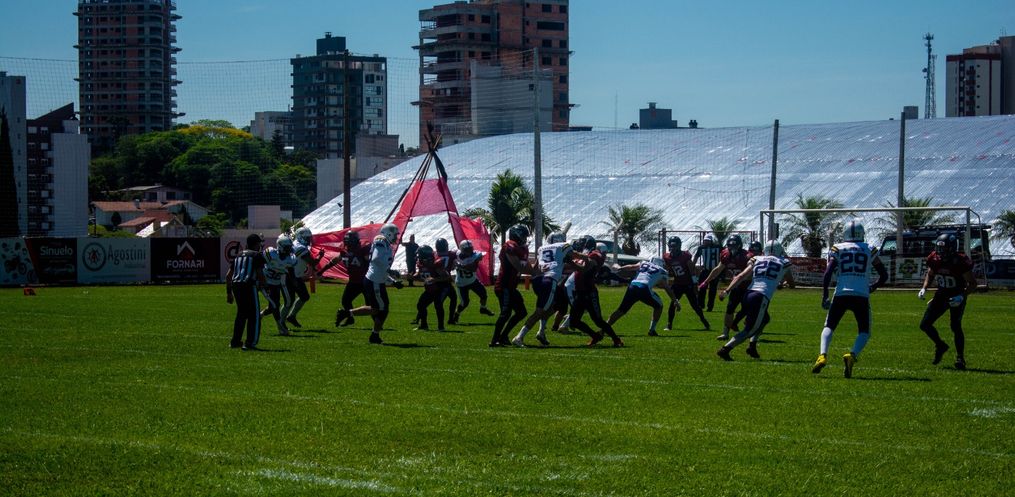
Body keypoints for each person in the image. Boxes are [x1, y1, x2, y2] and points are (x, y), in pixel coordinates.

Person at [812, 219, 888, 378]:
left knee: (829, 326)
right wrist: (873, 286)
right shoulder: (869, 249)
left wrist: (825, 295)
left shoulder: (838, 248)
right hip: (861, 295)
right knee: (864, 332)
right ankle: (852, 355)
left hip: (841, 293)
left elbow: (828, 273)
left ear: (845, 233)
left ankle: (822, 355)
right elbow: (884, 275)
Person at [716, 240, 792, 361]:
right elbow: (791, 282)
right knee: (750, 330)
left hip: (748, 293)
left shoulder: (757, 259)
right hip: (761, 296)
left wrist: (727, 290)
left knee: (765, 319)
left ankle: (752, 346)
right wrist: (783, 284)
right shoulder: (784, 262)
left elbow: (740, 276)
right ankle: (725, 349)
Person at [512, 232, 587, 347]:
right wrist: (586, 257)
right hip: (549, 281)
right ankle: (519, 337)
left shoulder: (542, 248)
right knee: (540, 311)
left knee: (556, 305)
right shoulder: (563, 246)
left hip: (538, 280)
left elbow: (535, 267)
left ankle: (541, 332)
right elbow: (574, 255)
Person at [336, 223, 403, 344]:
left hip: (377, 280)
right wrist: (390, 271)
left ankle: (372, 333)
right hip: (374, 281)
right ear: (388, 233)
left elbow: (379, 267)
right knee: (380, 309)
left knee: (379, 309)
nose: (396, 237)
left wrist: (393, 281)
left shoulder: (386, 244)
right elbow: (376, 259)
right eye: (394, 235)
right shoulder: (381, 240)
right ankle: (372, 333)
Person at [917, 233, 976, 370]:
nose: (941, 251)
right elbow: (930, 274)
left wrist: (961, 296)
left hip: (956, 296)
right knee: (925, 325)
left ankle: (960, 358)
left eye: (944, 248)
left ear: (952, 248)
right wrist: (924, 288)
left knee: (955, 326)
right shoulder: (934, 258)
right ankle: (940, 345)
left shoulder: (960, 261)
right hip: (941, 295)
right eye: (939, 248)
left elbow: (973, 284)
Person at [568, 236, 625, 347]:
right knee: (574, 321)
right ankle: (595, 336)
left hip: (589, 292)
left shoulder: (595, 255)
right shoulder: (587, 255)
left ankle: (616, 339)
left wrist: (573, 259)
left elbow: (586, 267)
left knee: (597, 320)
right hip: (580, 291)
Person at [698, 234, 750, 341]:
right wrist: (706, 281)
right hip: (736, 287)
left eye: (734, 245)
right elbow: (718, 269)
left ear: (739, 245)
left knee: (748, 310)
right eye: (730, 245)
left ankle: (750, 332)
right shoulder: (726, 255)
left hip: (748, 287)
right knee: (729, 309)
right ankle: (725, 333)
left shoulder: (747, 256)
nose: (732, 247)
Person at [607, 257, 676, 336]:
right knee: (659, 306)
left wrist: (620, 268)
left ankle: (604, 328)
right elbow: (666, 287)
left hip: (633, 286)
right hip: (644, 288)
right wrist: (675, 300)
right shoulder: (662, 270)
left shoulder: (643, 263)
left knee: (621, 310)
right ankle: (652, 330)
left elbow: (631, 267)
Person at [491, 224, 534, 347]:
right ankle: (494, 340)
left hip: (512, 287)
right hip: (503, 286)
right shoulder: (509, 246)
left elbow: (529, 268)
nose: (525, 239)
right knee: (505, 314)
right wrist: (534, 271)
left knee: (521, 312)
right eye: (524, 236)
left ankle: (504, 336)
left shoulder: (522, 248)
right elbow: (519, 267)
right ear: (517, 235)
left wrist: (540, 270)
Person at [318, 230, 371, 327]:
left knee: (371, 305)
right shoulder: (344, 250)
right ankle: (350, 319)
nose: (347, 242)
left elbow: (370, 262)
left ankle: (377, 324)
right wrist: (323, 270)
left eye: (349, 240)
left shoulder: (362, 248)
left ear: (355, 240)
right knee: (346, 301)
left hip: (365, 281)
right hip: (353, 281)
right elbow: (336, 260)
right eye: (346, 240)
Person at [226, 233, 267, 350]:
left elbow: (228, 276)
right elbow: (260, 274)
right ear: (256, 244)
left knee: (241, 314)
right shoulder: (256, 255)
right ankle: (250, 343)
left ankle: (235, 341)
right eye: (259, 243)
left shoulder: (238, 255)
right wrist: (265, 286)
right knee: (254, 315)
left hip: (236, 285)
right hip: (249, 285)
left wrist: (229, 293)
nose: (260, 246)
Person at [663, 236, 711, 331]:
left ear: (679, 246)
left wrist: (695, 284)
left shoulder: (685, 256)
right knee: (673, 304)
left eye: (675, 246)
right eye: (671, 246)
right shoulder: (667, 257)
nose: (673, 248)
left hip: (688, 284)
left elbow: (692, 270)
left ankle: (704, 321)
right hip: (677, 284)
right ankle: (669, 324)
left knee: (695, 305)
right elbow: (668, 269)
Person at [285, 226, 324, 328]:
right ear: (300, 237)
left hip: (292, 275)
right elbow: (313, 262)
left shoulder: (295, 244)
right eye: (307, 238)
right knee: (292, 300)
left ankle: (290, 317)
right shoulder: (301, 248)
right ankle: (282, 321)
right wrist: (320, 255)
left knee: (302, 297)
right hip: (292, 276)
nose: (309, 240)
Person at [260, 233, 297, 336]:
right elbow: (259, 263)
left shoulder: (291, 258)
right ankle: (281, 328)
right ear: (280, 246)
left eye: (290, 247)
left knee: (272, 307)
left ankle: (260, 315)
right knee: (275, 305)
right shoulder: (271, 253)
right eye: (287, 247)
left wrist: (295, 284)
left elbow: (291, 273)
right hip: (265, 282)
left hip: (276, 283)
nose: (289, 249)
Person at [451, 239, 495, 322]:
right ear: (461, 249)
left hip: (472, 280)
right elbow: (451, 262)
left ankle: (483, 308)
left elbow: (473, 268)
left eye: (470, 249)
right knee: (465, 303)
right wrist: (453, 264)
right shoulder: (456, 254)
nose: (469, 251)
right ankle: (457, 313)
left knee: (483, 294)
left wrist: (461, 266)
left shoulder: (475, 255)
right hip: (461, 284)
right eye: (467, 250)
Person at [413, 244, 452, 330]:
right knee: (420, 305)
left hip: (440, 288)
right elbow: (420, 274)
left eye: (420, 255)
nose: (418, 257)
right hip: (430, 289)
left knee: (438, 305)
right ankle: (424, 325)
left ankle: (441, 327)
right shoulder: (422, 264)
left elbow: (447, 277)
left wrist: (435, 279)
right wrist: (413, 276)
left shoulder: (436, 264)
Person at [693, 234, 722, 312]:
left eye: (708, 241)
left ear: (711, 241)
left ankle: (710, 307)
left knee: (712, 290)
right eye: (705, 240)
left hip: (715, 271)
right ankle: (701, 305)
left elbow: (724, 255)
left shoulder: (718, 247)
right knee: (702, 288)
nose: (706, 242)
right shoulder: (701, 248)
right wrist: (692, 266)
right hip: (705, 270)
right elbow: (696, 256)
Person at [435, 238, 459, 324]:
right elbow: (454, 264)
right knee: (439, 302)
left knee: (453, 298)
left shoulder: (435, 255)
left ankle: (451, 319)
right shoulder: (451, 254)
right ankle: (449, 320)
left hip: (439, 280)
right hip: (444, 282)